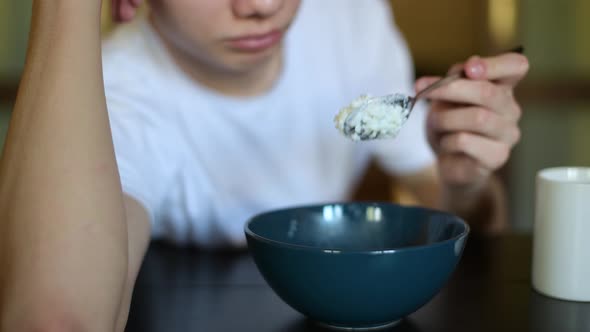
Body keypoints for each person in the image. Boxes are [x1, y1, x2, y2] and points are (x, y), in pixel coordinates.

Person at [0, 0, 529, 331]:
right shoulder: (114, 100)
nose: (262, 6)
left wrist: (464, 182)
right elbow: (57, 320)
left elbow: (480, 220)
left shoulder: (350, 20)